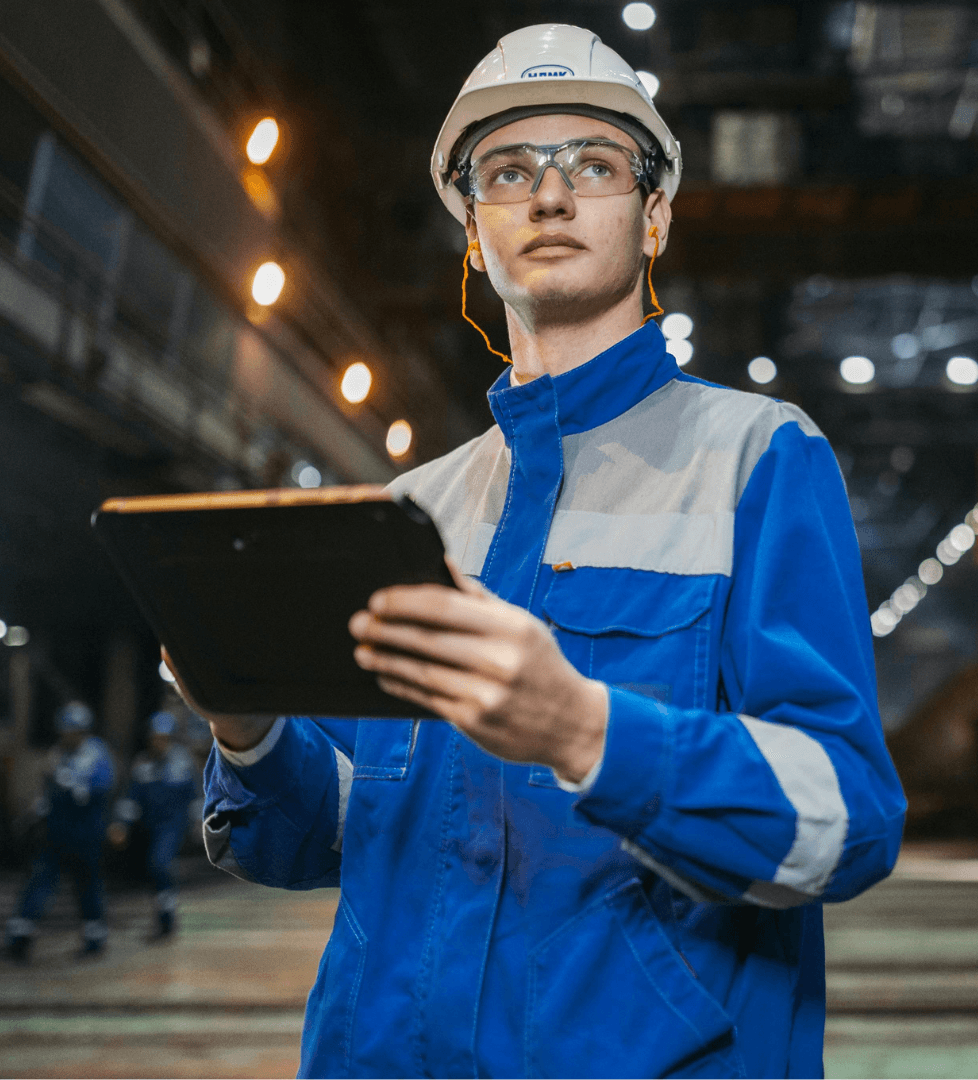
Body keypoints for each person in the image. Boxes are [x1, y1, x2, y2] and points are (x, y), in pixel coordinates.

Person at [184, 24, 906, 1078]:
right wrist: (243, 723)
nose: (550, 196)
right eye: (509, 171)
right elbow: (336, 835)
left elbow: (844, 820)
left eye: (595, 166)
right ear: (474, 232)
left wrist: (588, 731)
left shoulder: (757, 459)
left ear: (654, 216)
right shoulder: (405, 510)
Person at [6, 701, 114, 961]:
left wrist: (71, 785)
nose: (68, 736)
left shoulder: (97, 754)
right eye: (65, 730)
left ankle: (94, 938)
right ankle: (20, 937)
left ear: (83, 731)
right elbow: (47, 790)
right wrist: (36, 812)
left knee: (87, 885)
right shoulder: (58, 753)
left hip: (86, 834)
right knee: (40, 881)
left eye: (73, 731)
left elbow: (101, 788)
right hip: (56, 834)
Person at [108, 710, 198, 939]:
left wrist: (201, 823)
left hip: (174, 825)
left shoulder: (182, 762)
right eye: (155, 738)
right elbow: (131, 798)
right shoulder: (142, 764)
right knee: (153, 868)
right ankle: (165, 910)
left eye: (164, 738)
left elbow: (196, 795)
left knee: (159, 863)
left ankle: (166, 916)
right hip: (150, 827)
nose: (159, 743)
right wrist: (121, 824)